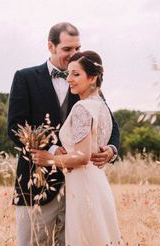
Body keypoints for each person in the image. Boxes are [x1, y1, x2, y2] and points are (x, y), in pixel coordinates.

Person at [7, 23, 121, 246]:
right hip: (37, 185)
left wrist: (111, 150)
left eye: (77, 48)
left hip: (80, 189)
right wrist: (49, 150)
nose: (73, 54)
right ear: (51, 46)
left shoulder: (86, 82)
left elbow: (110, 125)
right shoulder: (25, 78)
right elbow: (15, 127)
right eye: (67, 49)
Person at [48, 50, 121, 245]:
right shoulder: (100, 105)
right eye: (69, 73)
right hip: (98, 181)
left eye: (76, 74)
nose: (69, 79)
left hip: (83, 184)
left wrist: (47, 159)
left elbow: (82, 156)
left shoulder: (82, 108)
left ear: (93, 78)